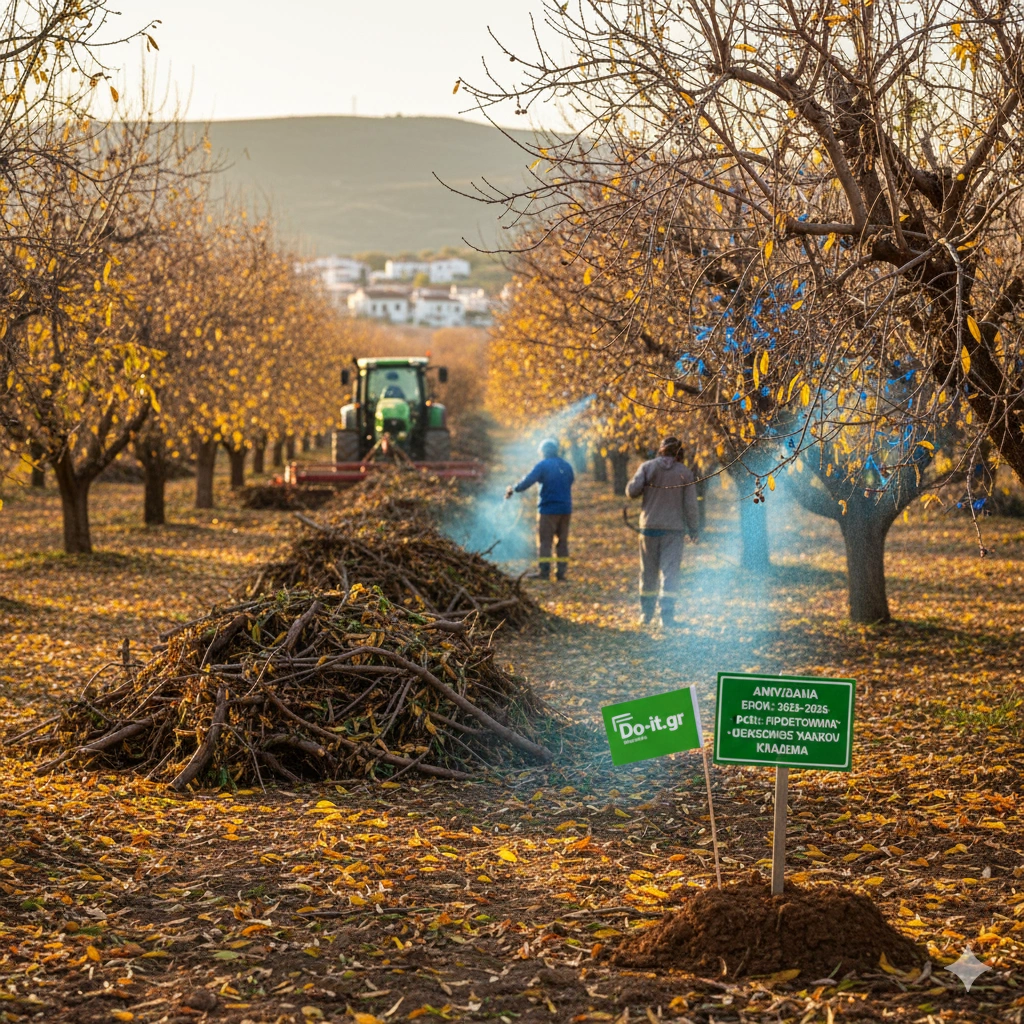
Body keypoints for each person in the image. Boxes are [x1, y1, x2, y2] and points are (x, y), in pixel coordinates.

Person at [626, 436, 700, 627]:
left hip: (648, 528)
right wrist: (694, 529)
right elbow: (691, 505)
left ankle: (646, 614)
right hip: (673, 531)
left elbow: (632, 491)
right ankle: (666, 616)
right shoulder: (685, 473)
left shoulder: (647, 467)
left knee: (648, 572)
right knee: (670, 573)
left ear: (661, 450)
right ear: (679, 452)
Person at [505, 438, 575, 581]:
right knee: (562, 542)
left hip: (548, 509)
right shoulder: (566, 465)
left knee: (545, 542)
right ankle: (561, 573)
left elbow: (528, 481)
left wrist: (515, 489)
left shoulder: (542, 465)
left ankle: (544, 573)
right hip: (566, 509)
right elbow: (571, 480)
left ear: (543, 452)